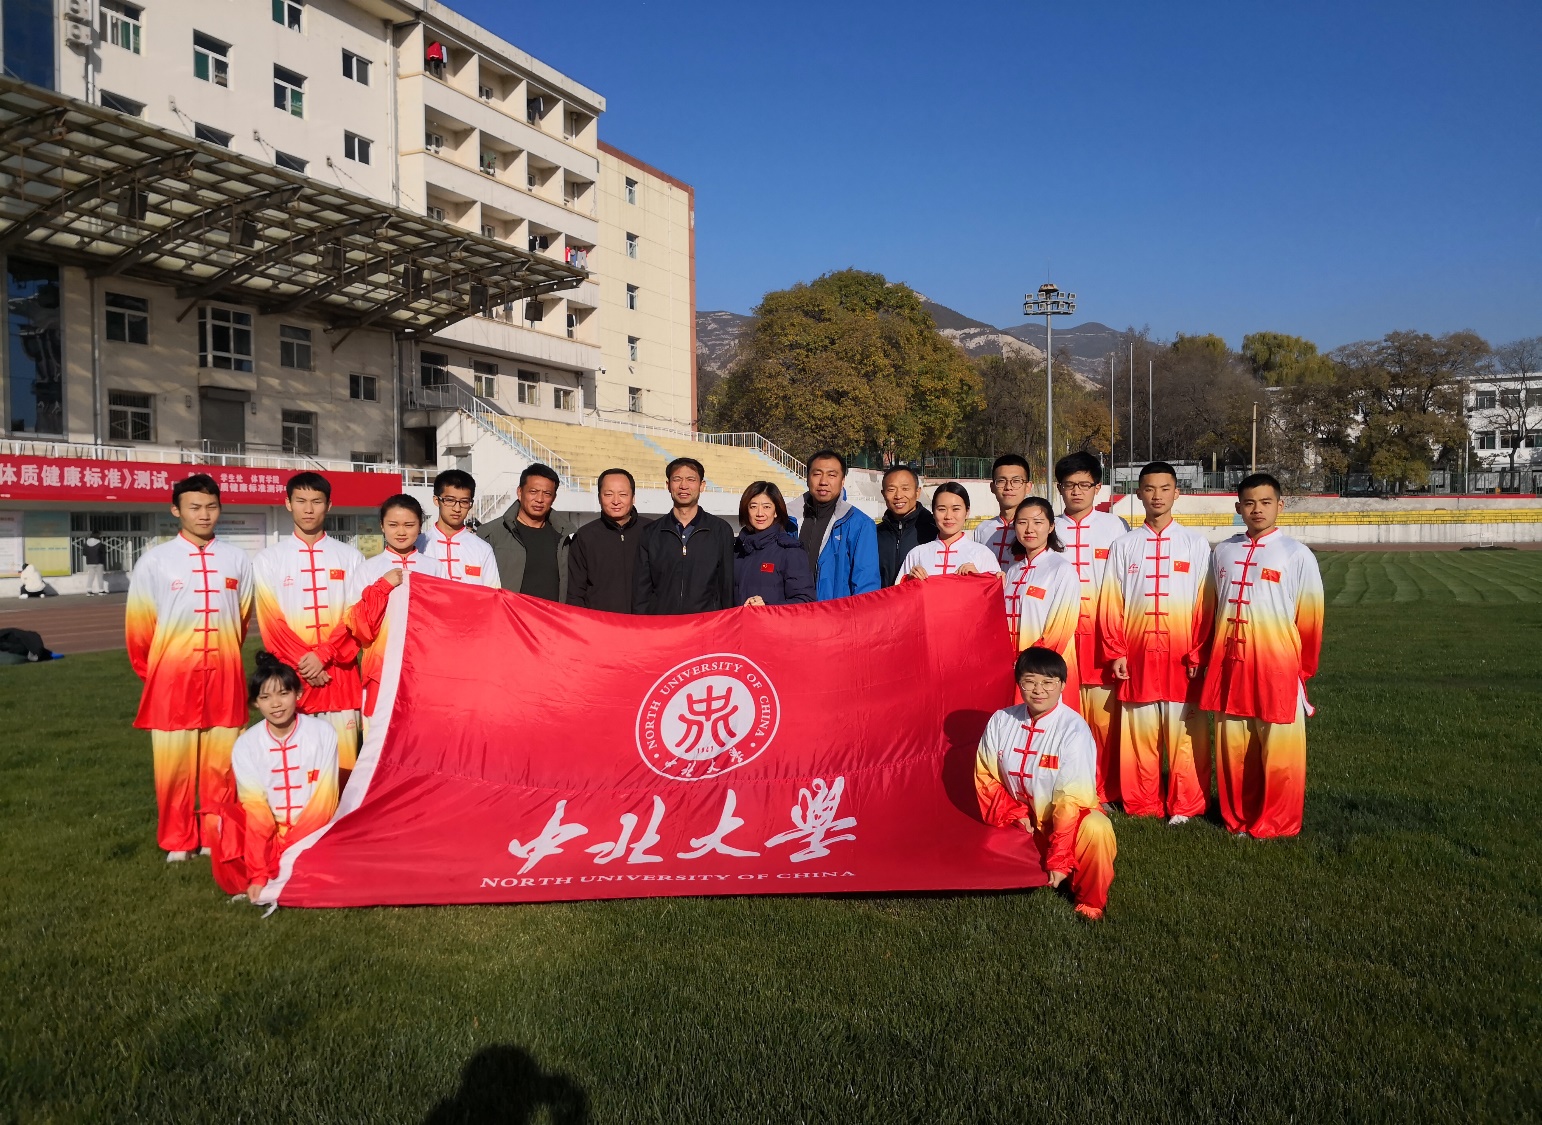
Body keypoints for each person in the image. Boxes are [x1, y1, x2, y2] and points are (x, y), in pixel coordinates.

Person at [125, 474, 253, 861]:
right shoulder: (155, 562)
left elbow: (241, 618)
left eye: (211, 507)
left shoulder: (237, 559)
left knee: (222, 766)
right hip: (171, 682)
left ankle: (215, 837)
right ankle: (177, 842)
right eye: (194, 507)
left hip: (224, 678)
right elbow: (140, 630)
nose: (203, 515)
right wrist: (160, 676)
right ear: (175, 510)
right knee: (173, 768)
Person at [1201, 473, 1324, 839]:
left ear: (1279, 505)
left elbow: (1310, 620)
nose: (1258, 509)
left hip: (1276, 668)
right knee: (1234, 749)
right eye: (1250, 503)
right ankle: (1237, 818)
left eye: (1266, 502)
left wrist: (1301, 671)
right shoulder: (1223, 551)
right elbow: (1210, 608)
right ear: (1238, 507)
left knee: (1279, 750)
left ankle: (1277, 822)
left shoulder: (1296, 554)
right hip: (1229, 667)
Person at [1098, 462, 1215, 824]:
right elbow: (1111, 601)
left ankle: (1186, 804)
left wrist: (1198, 652)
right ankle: (1142, 803)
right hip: (1137, 655)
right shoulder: (1124, 545)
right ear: (1139, 493)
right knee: (1139, 734)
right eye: (1149, 489)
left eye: (1165, 489)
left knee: (1186, 734)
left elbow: (1205, 603)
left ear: (1177, 493)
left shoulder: (1195, 544)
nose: (1157, 496)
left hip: (1182, 656)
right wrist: (1116, 650)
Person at [975, 646, 1117, 921]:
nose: (1039, 690)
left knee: (1097, 828)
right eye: (1029, 681)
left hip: (1065, 820)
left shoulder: (1073, 729)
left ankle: (1089, 902)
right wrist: (1014, 813)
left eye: (1048, 682)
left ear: (1062, 685)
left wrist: (1059, 858)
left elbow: (1070, 799)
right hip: (1017, 819)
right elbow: (985, 776)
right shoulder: (1000, 721)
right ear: (1019, 684)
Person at [252, 472, 367, 775]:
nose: (308, 509)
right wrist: (308, 664)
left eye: (316, 501)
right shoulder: (268, 560)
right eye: (301, 501)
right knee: (298, 771)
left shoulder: (351, 558)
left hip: (339, 678)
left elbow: (355, 617)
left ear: (329, 505)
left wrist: (324, 655)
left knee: (344, 770)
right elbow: (272, 624)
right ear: (287, 503)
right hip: (294, 680)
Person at [1053, 451, 1130, 808]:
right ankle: (1070, 788)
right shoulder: (1050, 526)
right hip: (1063, 636)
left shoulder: (1115, 527)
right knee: (1066, 717)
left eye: (1085, 485)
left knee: (1104, 721)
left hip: (1102, 638)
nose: (1077, 492)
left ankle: (1106, 790)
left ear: (1098, 488)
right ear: (1059, 488)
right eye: (1070, 485)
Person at [232, 651, 340, 904]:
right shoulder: (245, 745)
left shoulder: (323, 734)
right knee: (223, 827)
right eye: (265, 697)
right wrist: (259, 873)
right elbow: (256, 811)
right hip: (268, 833)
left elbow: (324, 803)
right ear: (255, 703)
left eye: (283, 693)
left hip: (315, 830)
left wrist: (292, 849)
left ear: (298, 694)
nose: (276, 704)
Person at [331, 495, 441, 722]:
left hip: (425, 668)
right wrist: (382, 587)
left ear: (420, 526)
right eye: (393, 524)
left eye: (409, 525)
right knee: (380, 733)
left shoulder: (435, 568)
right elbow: (357, 625)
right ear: (382, 526)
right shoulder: (368, 569)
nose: (401, 531)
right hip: (380, 669)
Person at [1003, 498, 1082, 709]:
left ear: (1051, 526)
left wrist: (1029, 664)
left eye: (1038, 522)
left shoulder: (1061, 569)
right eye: (1022, 522)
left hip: (1044, 670)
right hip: (1013, 670)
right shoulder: (1012, 571)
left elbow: (1061, 629)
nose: (1029, 529)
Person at [633, 457, 736, 614]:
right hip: (663, 623)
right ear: (668, 485)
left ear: (702, 485)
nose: (683, 486)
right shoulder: (651, 532)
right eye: (677, 479)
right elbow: (642, 589)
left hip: (706, 623)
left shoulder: (720, 530)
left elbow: (726, 585)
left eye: (691, 479)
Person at [479, 465, 577, 602]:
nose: (539, 499)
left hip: (551, 614)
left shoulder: (566, 537)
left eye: (547, 494)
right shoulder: (490, 534)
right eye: (533, 491)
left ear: (554, 498)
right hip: (508, 614)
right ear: (519, 492)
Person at [567, 468, 653, 613]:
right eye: (608, 494)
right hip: (601, 623)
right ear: (599, 498)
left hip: (644, 622)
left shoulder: (652, 531)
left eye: (623, 494)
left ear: (633, 497)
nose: (616, 501)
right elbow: (575, 592)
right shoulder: (584, 536)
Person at [799, 450, 880, 600]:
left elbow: (866, 585)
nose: (823, 481)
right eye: (817, 474)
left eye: (831, 475)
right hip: (793, 611)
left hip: (836, 612)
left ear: (843, 481)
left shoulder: (860, 525)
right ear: (807, 478)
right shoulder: (790, 519)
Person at [898, 483, 1002, 581]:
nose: (948, 516)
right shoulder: (917, 554)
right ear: (933, 513)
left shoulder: (983, 554)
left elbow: (994, 592)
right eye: (941, 509)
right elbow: (899, 592)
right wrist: (909, 581)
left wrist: (979, 579)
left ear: (967, 512)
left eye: (956, 509)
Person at [734, 481, 815, 607]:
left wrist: (767, 607)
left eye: (766, 507)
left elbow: (805, 601)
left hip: (772, 619)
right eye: (753, 507)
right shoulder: (736, 549)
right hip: (738, 620)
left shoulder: (790, 550)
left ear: (776, 511)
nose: (760, 513)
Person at [421, 469, 501, 587]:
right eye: (450, 500)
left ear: (470, 504)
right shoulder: (418, 545)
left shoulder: (482, 549)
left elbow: (493, 592)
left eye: (464, 502)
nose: (457, 509)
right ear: (436, 500)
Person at [874, 464, 937, 588]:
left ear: (917, 492)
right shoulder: (875, 534)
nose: (898, 496)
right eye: (891, 490)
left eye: (905, 488)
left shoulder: (934, 530)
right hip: (885, 599)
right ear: (883, 493)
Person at [973, 455, 1033, 569]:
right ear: (992, 487)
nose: (1008, 487)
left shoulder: (1034, 530)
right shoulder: (982, 529)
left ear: (1028, 486)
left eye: (1016, 481)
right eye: (1001, 481)